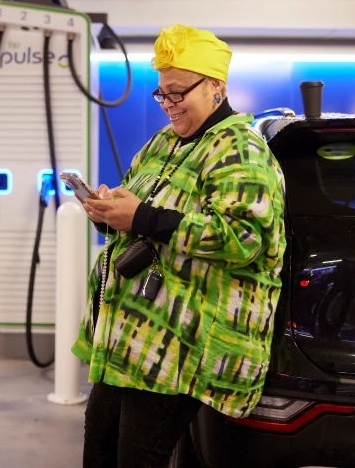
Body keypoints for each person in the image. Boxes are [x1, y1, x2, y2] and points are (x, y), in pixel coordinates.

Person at [70, 24, 287, 468]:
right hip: (130, 344)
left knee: (137, 457)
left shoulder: (240, 149)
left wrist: (142, 217)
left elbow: (244, 238)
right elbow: (140, 216)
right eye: (161, 95)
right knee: (99, 446)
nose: (168, 105)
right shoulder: (162, 144)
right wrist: (111, 214)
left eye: (177, 93)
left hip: (179, 350)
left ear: (216, 87)